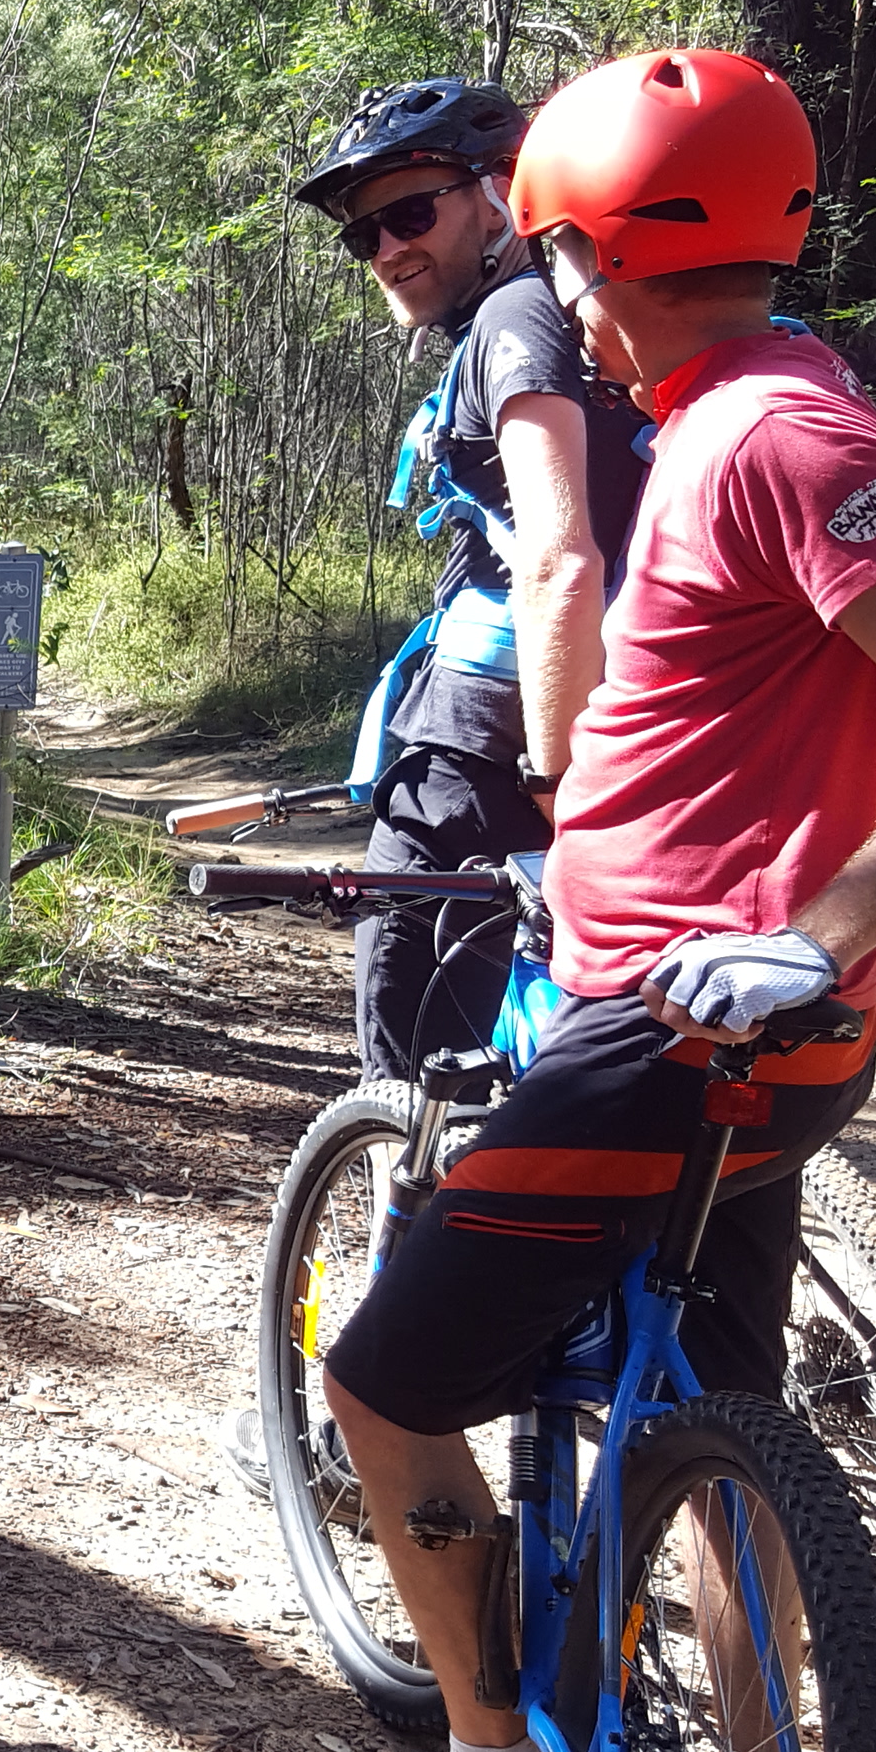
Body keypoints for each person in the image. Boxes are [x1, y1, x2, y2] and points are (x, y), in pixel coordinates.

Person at [299, 49, 876, 1752]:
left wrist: (819, 922)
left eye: (559, 261)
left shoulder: (776, 436)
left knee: (377, 1376)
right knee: (708, 1419)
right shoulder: (744, 410)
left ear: (600, 245)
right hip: (731, 1040)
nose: (558, 305)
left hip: (679, 1044)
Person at [216, 77, 650, 1502]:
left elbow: (555, 553)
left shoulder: (518, 321)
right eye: (363, 232)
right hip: (617, 732)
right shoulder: (607, 319)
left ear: (501, 188)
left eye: (411, 210)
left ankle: (372, 1410)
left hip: (493, 757)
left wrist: (554, 769)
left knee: (410, 1084)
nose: (389, 248)